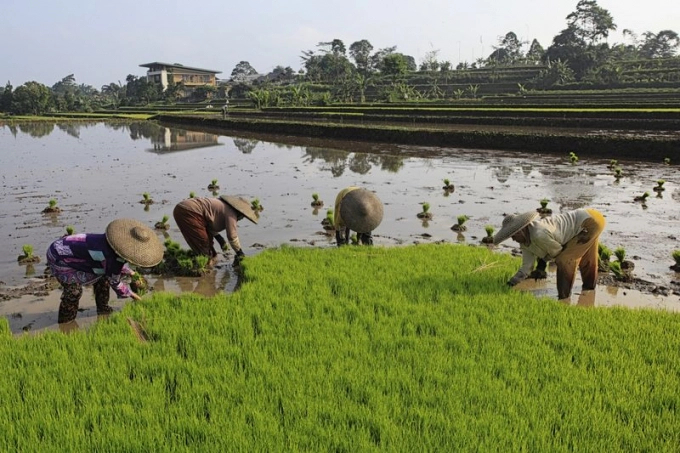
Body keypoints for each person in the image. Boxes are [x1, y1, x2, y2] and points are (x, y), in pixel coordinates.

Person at [46, 218, 164, 324]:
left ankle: (103, 308)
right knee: (74, 291)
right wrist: (135, 297)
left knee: (103, 276)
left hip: (78, 254)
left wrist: (130, 273)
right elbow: (116, 282)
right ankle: (66, 322)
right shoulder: (110, 254)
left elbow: (109, 263)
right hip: (59, 257)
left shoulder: (114, 247)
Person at [493, 208, 606, 299]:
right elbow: (526, 267)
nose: (513, 239)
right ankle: (589, 291)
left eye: (513, 235)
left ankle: (564, 298)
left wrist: (541, 266)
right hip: (589, 217)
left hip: (589, 222)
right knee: (587, 257)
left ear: (521, 230)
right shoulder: (525, 243)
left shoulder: (539, 233)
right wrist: (510, 284)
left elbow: (557, 251)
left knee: (564, 260)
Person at [173, 195, 258, 266]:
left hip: (184, 209)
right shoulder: (231, 213)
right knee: (203, 244)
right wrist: (240, 253)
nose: (242, 218)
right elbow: (232, 236)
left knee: (209, 247)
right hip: (189, 212)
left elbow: (208, 224)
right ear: (240, 212)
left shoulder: (223, 206)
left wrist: (220, 239)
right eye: (243, 216)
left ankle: (204, 262)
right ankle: (201, 269)